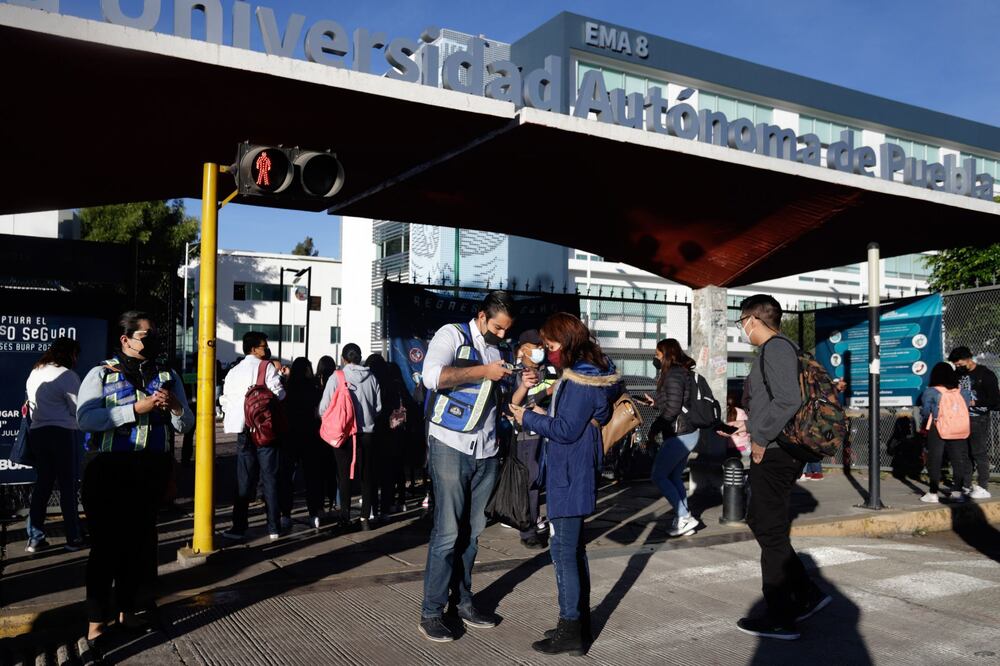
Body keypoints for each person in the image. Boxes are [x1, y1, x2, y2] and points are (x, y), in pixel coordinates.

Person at [77, 311, 194, 645]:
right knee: (105, 547)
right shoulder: (100, 373)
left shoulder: (167, 374)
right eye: (145, 335)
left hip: (149, 470)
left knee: (139, 545)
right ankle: (96, 621)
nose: (152, 340)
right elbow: (85, 419)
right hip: (107, 470)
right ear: (125, 339)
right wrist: (134, 410)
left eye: (154, 334)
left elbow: (186, 424)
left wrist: (174, 407)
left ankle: (128, 611)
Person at [511, 312, 622, 656]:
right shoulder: (588, 375)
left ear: (568, 342)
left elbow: (564, 430)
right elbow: (589, 417)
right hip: (575, 468)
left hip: (570, 472)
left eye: (551, 344)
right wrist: (552, 417)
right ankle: (577, 623)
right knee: (573, 550)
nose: (548, 350)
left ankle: (570, 627)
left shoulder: (579, 381)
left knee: (563, 552)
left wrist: (527, 417)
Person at [418, 291, 515, 643]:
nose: (502, 335)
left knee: (472, 535)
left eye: (507, 330)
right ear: (481, 316)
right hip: (450, 445)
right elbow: (432, 377)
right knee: (446, 533)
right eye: (498, 328)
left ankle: (463, 602)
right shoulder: (452, 335)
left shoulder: (498, 350)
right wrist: (483, 372)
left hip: (486, 451)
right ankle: (431, 611)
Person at [735, 295, 829, 641]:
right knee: (762, 521)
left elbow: (789, 398)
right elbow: (775, 399)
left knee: (770, 529)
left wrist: (760, 437)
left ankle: (779, 616)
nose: (742, 329)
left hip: (774, 453)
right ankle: (806, 593)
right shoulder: (782, 348)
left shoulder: (775, 348)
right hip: (776, 448)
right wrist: (751, 427)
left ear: (754, 320)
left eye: (742, 321)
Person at [220, 331, 287, 541]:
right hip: (265, 431)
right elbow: (280, 394)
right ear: (253, 349)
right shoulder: (266, 367)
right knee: (270, 478)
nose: (266, 349)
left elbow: (225, 399)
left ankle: (238, 526)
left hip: (243, 430)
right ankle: (273, 527)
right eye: (263, 346)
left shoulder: (233, 371)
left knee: (244, 480)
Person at [24, 337, 84, 553]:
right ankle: (73, 538)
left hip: (38, 433)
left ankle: (34, 538)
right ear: (70, 354)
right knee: (68, 486)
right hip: (63, 433)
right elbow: (78, 408)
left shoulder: (35, 372)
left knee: (43, 485)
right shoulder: (67, 375)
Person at [641, 338, 701, 537]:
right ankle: (683, 518)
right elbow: (673, 401)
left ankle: (684, 516)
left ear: (666, 355)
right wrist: (655, 401)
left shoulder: (674, 374)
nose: (655, 358)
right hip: (685, 432)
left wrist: (655, 428)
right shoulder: (677, 373)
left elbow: (674, 408)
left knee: (658, 475)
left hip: (680, 434)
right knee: (674, 476)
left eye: (657, 354)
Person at [319, 343, 382, 529]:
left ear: (344, 359)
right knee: (366, 476)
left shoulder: (337, 377)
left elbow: (324, 407)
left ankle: (344, 517)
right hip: (367, 434)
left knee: (343, 475)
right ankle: (365, 519)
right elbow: (378, 407)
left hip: (344, 434)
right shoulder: (372, 377)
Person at [508, 329, 554, 549]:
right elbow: (513, 404)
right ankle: (527, 531)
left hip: (548, 432)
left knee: (541, 481)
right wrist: (539, 396)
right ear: (523, 349)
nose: (540, 350)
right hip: (526, 435)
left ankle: (538, 521)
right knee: (529, 483)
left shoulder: (548, 369)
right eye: (536, 346)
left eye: (542, 346)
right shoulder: (517, 371)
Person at [919, 362, 973, 504]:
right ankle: (957, 492)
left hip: (938, 427)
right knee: (958, 459)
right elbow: (966, 406)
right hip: (958, 427)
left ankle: (933, 492)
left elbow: (925, 412)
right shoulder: (962, 391)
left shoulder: (931, 391)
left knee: (935, 459)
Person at [949, 346, 998, 499]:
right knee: (964, 454)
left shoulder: (986, 374)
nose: (957, 367)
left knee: (978, 452)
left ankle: (983, 486)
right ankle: (966, 485)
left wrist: (973, 403)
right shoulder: (958, 375)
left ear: (968, 359)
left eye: (959, 364)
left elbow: (995, 399)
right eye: (955, 365)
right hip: (961, 418)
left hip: (978, 418)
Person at [283, 357, 327, 528]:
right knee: (312, 477)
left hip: (291, 436)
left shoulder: (288, 388)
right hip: (311, 436)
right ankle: (313, 513)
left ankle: (285, 514)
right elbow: (319, 411)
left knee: (288, 477)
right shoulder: (315, 388)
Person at [366, 353, 408, 515]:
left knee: (372, 473)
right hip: (391, 433)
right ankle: (386, 509)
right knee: (388, 473)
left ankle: (372, 509)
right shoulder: (392, 384)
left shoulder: (371, 383)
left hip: (373, 431)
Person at [316, 355, 340, 511]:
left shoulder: (316, 385)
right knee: (335, 469)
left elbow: (320, 409)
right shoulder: (338, 382)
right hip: (335, 430)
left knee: (320, 470)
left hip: (319, 432)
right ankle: (335, 500)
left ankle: (320, 503)